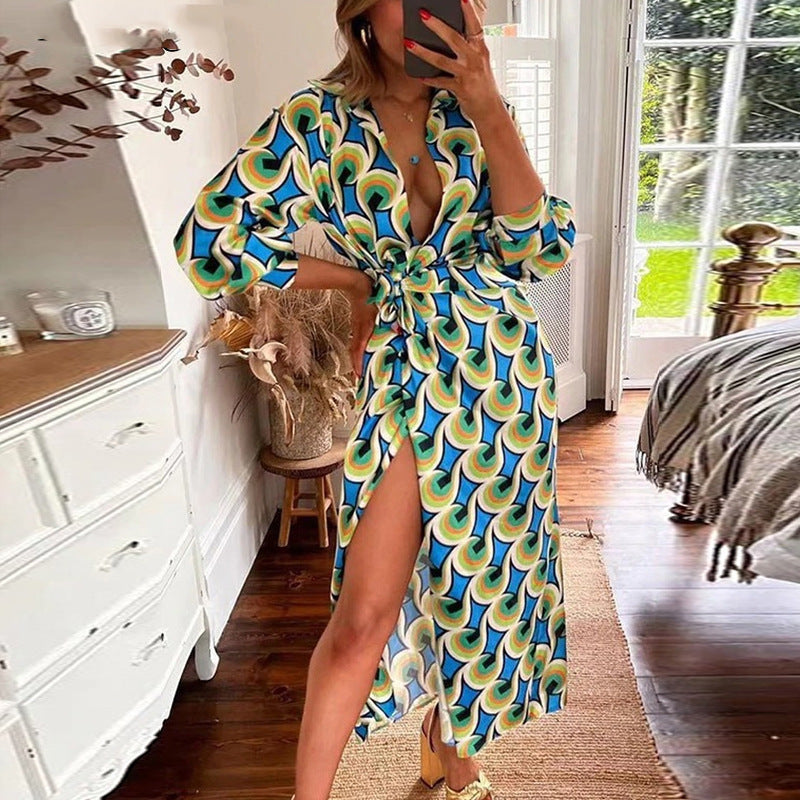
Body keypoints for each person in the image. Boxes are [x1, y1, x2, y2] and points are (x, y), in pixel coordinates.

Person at [173, 1, 576, 798]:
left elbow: (541, 249)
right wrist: (352, 281)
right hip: (403, 367)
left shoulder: (480, 108)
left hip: (503, 373)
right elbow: (209, 240)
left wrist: (490, 111)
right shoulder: (316, 120)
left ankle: (451, 750)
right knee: (364, 615)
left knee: (487, 582)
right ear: (363, 10)